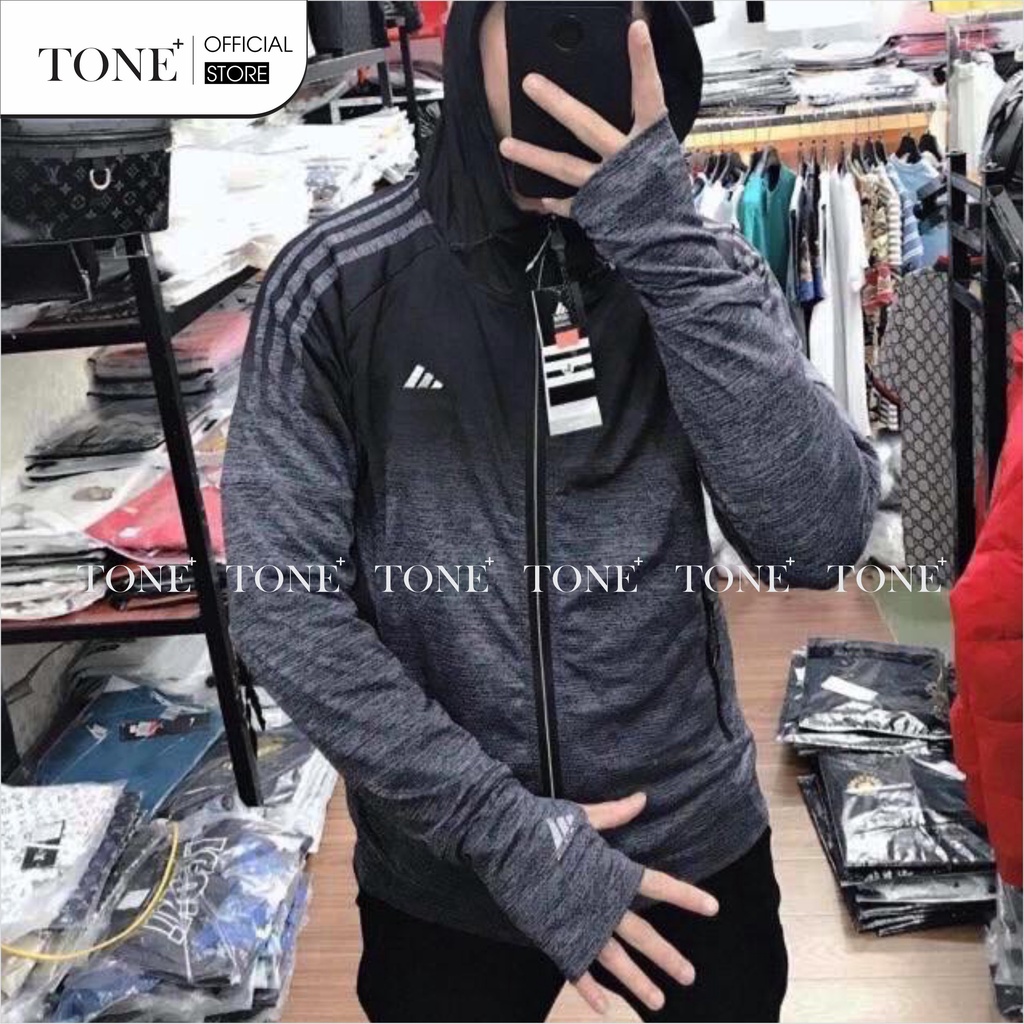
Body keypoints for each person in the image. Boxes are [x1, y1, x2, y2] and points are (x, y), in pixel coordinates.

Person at [223, 3, 880, 1021]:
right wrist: (506, 833)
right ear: (473, 30)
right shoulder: (339, 286)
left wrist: (660, 240)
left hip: (688, 846)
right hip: (449, 872)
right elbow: (282, 606)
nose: (576, 37)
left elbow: (816, 541)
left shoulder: (697, 267)